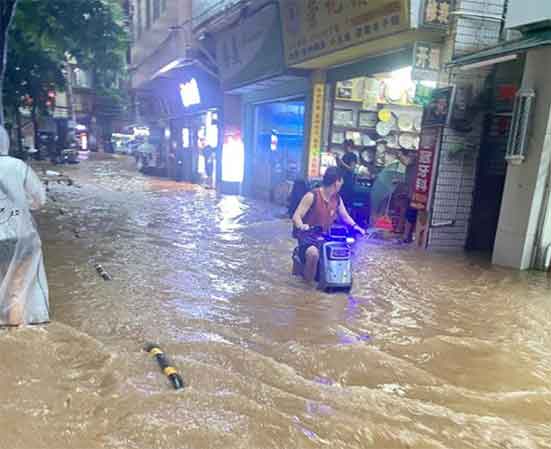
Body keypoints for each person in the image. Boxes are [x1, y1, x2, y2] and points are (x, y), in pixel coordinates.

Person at [0, 126, 49, 326]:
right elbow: (39, 199)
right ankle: (15, 341)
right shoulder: (18, 166)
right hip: (20, 236)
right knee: (17, 291)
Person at [292, 166, 365, 283]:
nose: (342, 184)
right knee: (313, 254)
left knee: (346, 252)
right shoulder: (312, 196)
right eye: (341, 181)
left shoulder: (337, 199)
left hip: (325, 238)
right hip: (308, 238)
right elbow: (296, 216)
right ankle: (306, 288)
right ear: (337, 182)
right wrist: (302, 226)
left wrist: (356, 227)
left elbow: (345, 217)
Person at [394, 149, 418, 243]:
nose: (401, 161)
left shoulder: (413, 163)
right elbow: (408, 181)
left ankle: (407, 236)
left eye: (401, 157)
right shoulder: (410, 167)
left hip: (415, 195)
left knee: (410, 215)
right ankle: (406, 236)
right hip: (410, 193)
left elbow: (412, 181)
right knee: (408, 213)